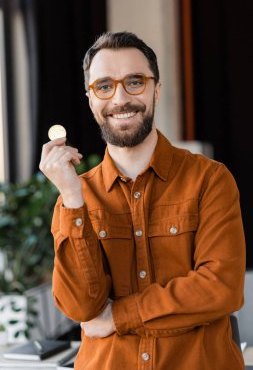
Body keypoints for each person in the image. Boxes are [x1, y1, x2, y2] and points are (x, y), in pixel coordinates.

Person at [39, 31, 246, 370]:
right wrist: (72, 197)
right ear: (91, 99)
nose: (120, 98)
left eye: (135, 81)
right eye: (104, 86)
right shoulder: (75, 195)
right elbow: (81, 309)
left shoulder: (210, 179)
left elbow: (221, 289)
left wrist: (117, 316)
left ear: (156, 90)